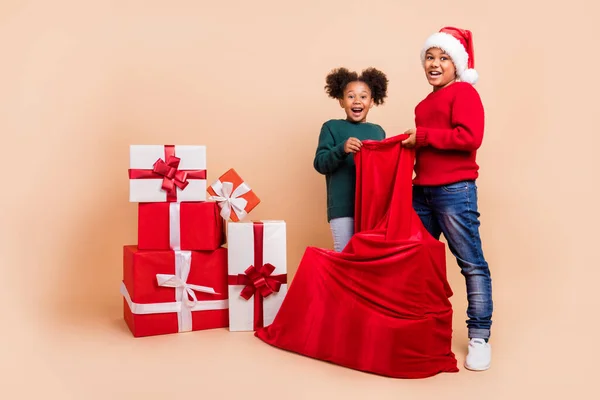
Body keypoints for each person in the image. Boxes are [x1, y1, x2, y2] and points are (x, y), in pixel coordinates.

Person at [401, 26, 493, 371]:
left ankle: (479, 336)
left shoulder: (464, 93)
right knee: (416, 262)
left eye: (443, 57)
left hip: (455, 190)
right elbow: (425, 145)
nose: (434, 64)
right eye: (429, 57)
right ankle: (421, 328)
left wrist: (422, 137)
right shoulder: (423, 104)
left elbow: (470, 137)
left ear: (457, 63)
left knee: (471, 262)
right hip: (421, 192)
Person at [313, 67, 388, 252]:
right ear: (341, 101)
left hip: (372, 209)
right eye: (351, 96)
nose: (357, 101)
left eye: (363, 96)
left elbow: (384, 170)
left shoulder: (378, 131)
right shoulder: (331, 127)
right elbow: (320, 163)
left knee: (370, 258)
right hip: (343, 208)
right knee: (345, 257)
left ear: (372, 102)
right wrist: (342, 148)